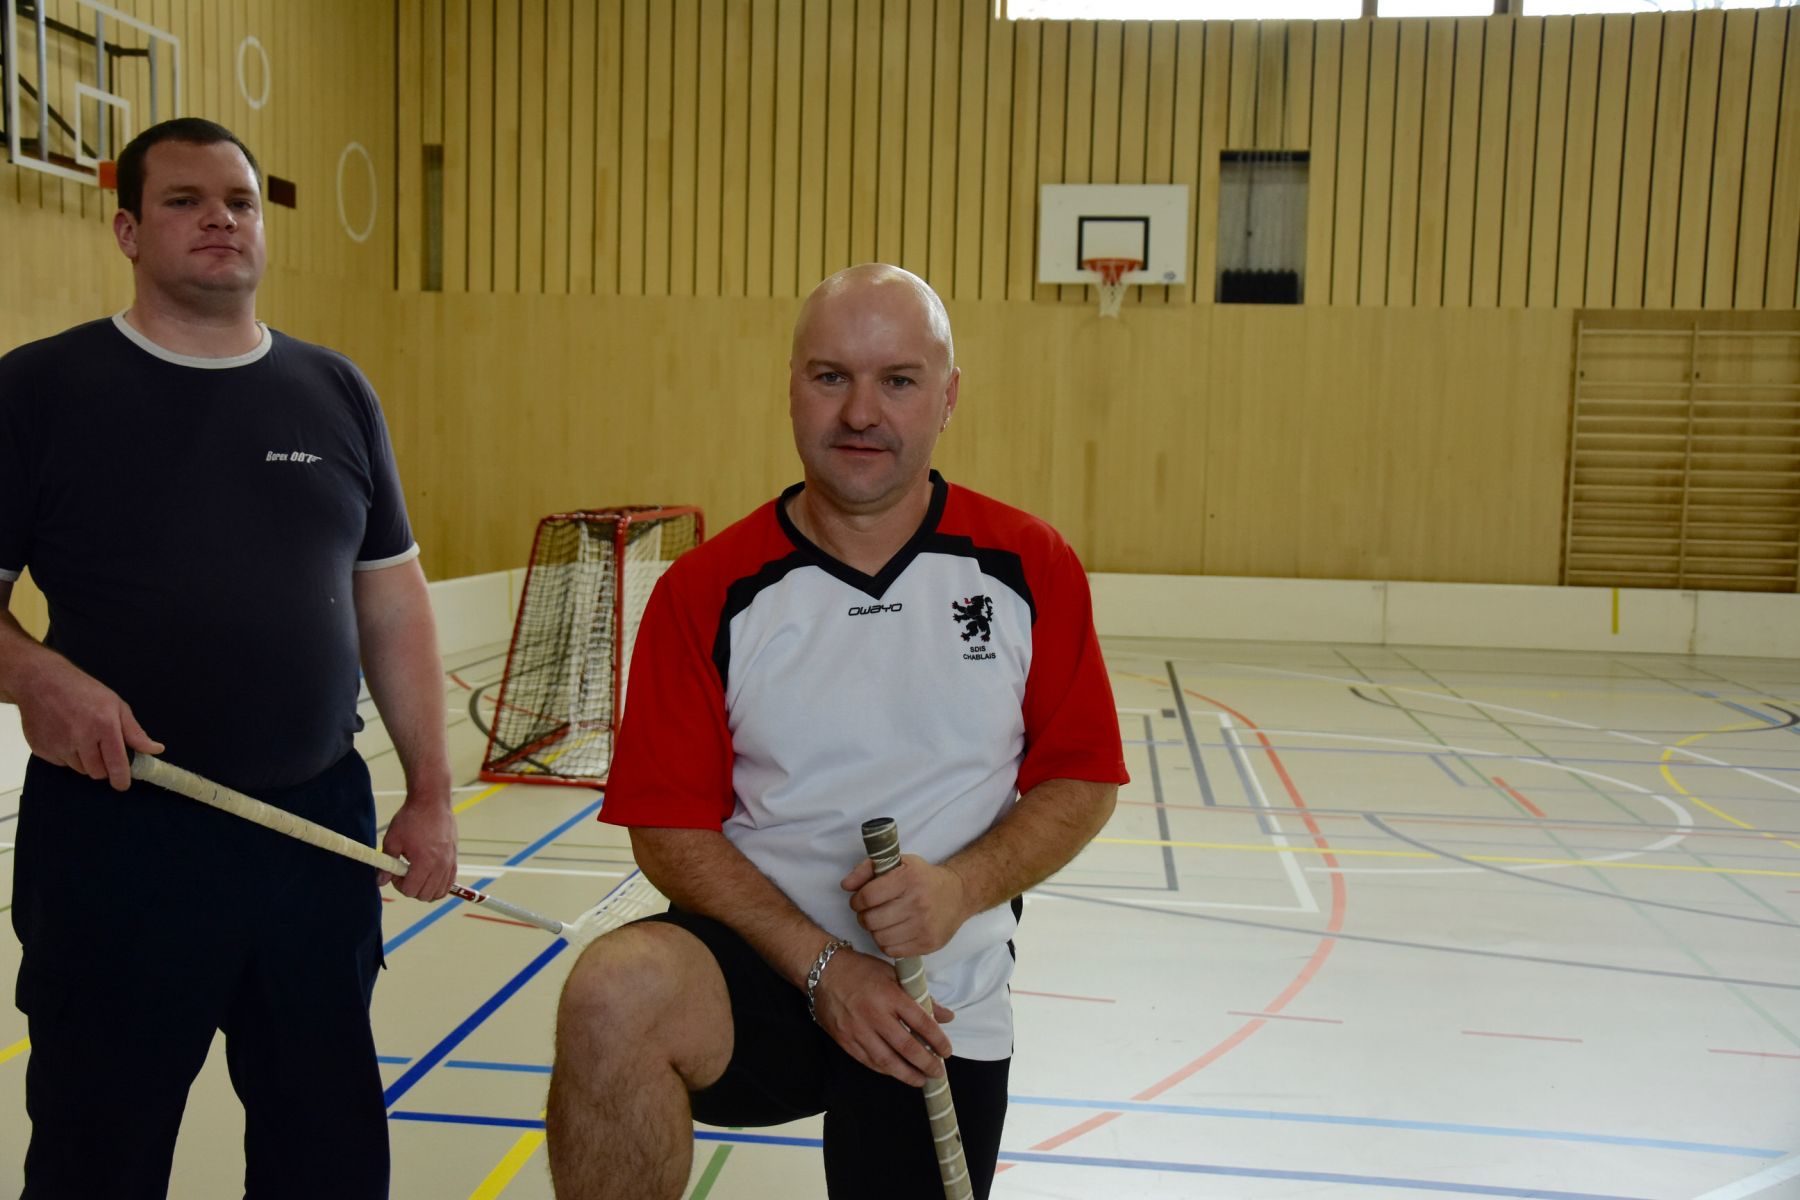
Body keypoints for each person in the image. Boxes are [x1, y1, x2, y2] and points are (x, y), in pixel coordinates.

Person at [546, 263, 1128, 1199]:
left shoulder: (1028, 566)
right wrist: (823, 968)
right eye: (831, 377)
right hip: (761, 969)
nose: (861, 412)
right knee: (615, 994)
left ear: (948, 397)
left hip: (934, 1001)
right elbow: (667, 827)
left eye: (898, 380)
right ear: (792, 388)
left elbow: (1083, 780)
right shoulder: (708, 592)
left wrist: (962, 888)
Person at [0, 118, 456, 1199]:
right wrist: (33, 673)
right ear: (127, 230)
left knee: (325, 1157)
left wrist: (431, 793)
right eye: (185, 200)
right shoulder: (41, 390)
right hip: (117, 839)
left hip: (313, 835)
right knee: (97, 1159)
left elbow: (392, 605)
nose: (220, 219)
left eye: (240, 202)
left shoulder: (335, 390)